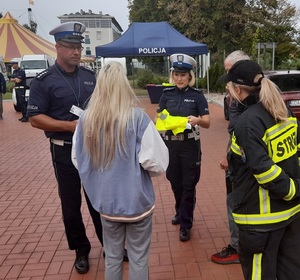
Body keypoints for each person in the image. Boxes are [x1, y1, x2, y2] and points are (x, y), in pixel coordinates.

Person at [73, 61, 169, 280]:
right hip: (137, 203)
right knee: (138, 258)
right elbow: (156, 162)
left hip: (106, 203)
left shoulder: (85, 120)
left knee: (113, 257)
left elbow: (78, 160)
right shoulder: (137, 118)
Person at [27, 22, 105, 274]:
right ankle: (81, 250)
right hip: (64, 149)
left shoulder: (89, 77)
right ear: (57, 48)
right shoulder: (43, 81)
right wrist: (67, 126)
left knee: (98, 200)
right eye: (70, 47)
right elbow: (35, 118)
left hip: (92, 147)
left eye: (78, 47)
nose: (76, 51)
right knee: (71, 204)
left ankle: (110, 245)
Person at [220, 59, 300, 280]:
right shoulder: (281, 111)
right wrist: (295, 191)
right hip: (291, 215)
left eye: (228, 88)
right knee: (291, 272)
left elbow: (263, 171)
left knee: (259, 275)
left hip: (260, 221)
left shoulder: (246, 122)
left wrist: (292, 190)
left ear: (237, 90)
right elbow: (295, 153)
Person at [156, 53, 210, 242]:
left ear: (190, 76)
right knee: (174, 182)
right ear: (173, 76)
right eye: (176, 74)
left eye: (183, 75)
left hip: (189, 146)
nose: (179, 78)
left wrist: (198, 120)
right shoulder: (166, 95)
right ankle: (180, 211)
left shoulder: (197, 96)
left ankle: (186, 223)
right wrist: (172, 121)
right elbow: (160, 117)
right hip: (171, 146)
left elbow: (207, 122)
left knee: (188, 185)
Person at [211, 50, 250, 264]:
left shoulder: (246, 100)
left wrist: (230, 156)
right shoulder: (239, 96)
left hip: (242, 162)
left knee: (234, 202)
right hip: (237, 156)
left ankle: (237, 248)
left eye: (229, 71)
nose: (227, 77)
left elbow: (240, 131)